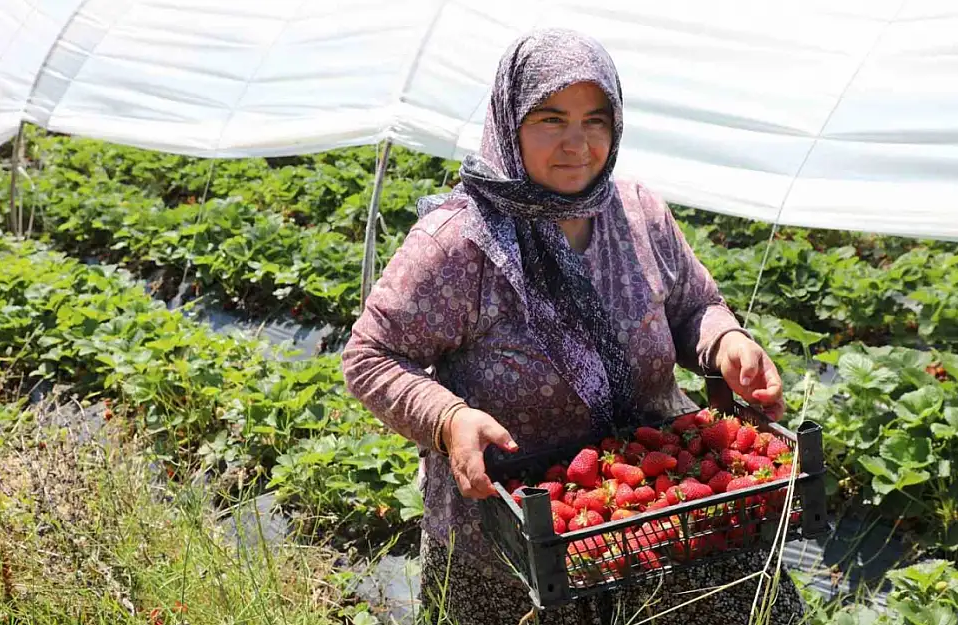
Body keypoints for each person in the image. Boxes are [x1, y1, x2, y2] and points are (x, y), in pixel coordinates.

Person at [342, 27, 804, 625]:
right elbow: (370, 355)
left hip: (662, 518)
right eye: (550, 118)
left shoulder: (637, 212)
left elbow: (695, 305)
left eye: (596, 120)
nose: (577, 143)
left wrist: (725, 341)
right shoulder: (459, 243)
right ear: (509, 122)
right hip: (514, 535)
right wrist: (448, 419)